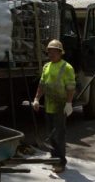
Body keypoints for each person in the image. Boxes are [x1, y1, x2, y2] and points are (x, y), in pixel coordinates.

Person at [33, 39, 76, 173]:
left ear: (60, 52)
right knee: (51, 134)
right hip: (49, 105)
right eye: (49, 52)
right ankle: (53, 159)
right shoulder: (46, 66)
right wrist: (36, 98)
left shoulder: (67, 67)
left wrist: (69, 103)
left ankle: (61, 162)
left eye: (53, 52)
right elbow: (42, 84)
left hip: (60, 106)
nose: (50, 54)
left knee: (59, 135)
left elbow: (70, 87)